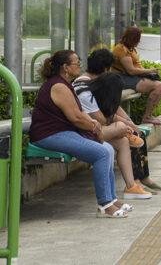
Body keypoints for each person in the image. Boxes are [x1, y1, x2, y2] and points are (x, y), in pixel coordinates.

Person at [28, 50, 132, 218]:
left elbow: (79, 112)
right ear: (65, 67)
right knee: (101, 153)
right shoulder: (58, 86)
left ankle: (111, 199)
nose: (80, 66)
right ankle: (105, 204)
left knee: (108, 149)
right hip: (50, 135)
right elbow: (75, 117)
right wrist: (93, 126)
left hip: (63, 132)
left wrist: (93, 123)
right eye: (76, 63)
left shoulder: (65, 83)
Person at [73, 49, 161, 198]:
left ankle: (138, 181)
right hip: (90, 127)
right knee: (128, 131)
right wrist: (127, 124)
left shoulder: (97, 81)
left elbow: (112, 106)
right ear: (106, 68)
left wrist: (131, 122)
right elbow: (103, 115)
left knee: (132, 132)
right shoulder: (84, 86)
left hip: (99, 125)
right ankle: (136, 181)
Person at [112, 26, 161, 125]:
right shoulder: (121, 49)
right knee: (160, 87)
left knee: (160, 85)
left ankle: (148, 116)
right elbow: (131, 71)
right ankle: (147, 117)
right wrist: (150, 70)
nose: (139, 42)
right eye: (137, 39)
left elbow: (136, 67)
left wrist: (149, 73)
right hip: (123, 78)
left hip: (131, 77)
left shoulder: (130, 48)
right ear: (132, 39)